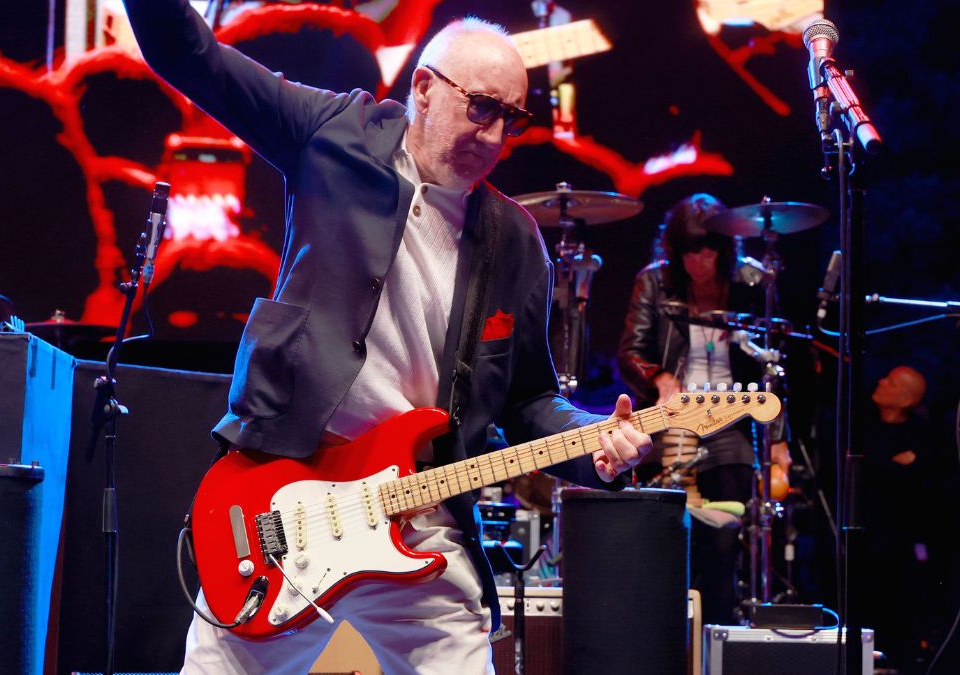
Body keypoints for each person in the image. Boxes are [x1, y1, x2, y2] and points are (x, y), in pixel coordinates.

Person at [123, 3, 653, 671]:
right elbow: (189, 55)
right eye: (482, 108)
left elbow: (530, 401)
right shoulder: (334, 134)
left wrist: (596, 444)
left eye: (511, 120)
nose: (493, 137)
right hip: (285, 495)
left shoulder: (515, 242)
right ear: (425, 90)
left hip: (417, 514)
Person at [616, 193, 790, 625]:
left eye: (708, 249)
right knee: (661, 528)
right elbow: (630, 351)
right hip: (672, 415)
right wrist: (658, 378)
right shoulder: (654, 282)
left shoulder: (751, 284)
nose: (698, 260)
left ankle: (719, 628)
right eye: (689, 251)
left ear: (725, 247)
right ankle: (658, 629)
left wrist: (779, 440)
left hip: (730, 417)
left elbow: (774, 365)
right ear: (674, 251)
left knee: (726, 537)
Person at [859, 365, 937, 671]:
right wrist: (894, 467)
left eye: (890, 381)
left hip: (899, 542)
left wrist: (885, 468)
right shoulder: (861, 427)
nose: (880, 381)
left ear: (906, 400)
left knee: (899, 605)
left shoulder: (921, 436)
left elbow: (922, 477)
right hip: (862, 536)